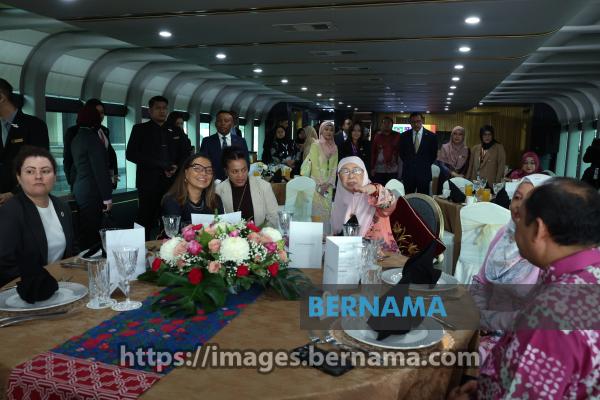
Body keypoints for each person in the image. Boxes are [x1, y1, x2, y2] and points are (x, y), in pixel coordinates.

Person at [449, 177, 600, 399]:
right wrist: (486, 387)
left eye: (521, 218)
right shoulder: (586, 274)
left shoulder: (550, 317)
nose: (514, 220)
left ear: (538, 229)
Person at [470, 174, 550, 366]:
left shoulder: (548, 253)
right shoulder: (503, 235)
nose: (519, 206)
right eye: (517, 197)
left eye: (529, 201)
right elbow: (481, 283)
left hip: (518, 341)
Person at [0, 146, 74, 290]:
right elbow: (5, 264)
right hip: (26, 289)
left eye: (45, 171)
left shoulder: (62, 207)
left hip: (62, 283)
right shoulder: (10, 211)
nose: (38, 176)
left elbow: (72, 249)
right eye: (30, 171)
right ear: (18, 177)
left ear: (55, 176)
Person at [126, 95, 191, 239]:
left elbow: (186, 153)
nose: (162, 111)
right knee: (145, 219)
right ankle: (140, 246)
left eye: (164, 108)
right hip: (148, 183)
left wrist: (176, 166)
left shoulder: (176, 130)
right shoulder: (140, 129)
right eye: (158, 108)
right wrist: (160, 165)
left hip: (172, 183)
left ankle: (170, 248)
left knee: (170, 218)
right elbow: (131, 154)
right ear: (150, 111)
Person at [331, 156, 399, 252]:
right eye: (345, 171)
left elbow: (391, 204)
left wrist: (375, 190)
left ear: (364, 173)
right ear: (339, 176)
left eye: (356, 170)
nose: (351, 176)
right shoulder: (338, 200)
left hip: (379, 256)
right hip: (346, 255)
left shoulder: (374, 195)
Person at [70, 105, 114, 250]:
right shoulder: (92, 139)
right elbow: (99, 170)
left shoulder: (77, 138)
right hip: (92, 191)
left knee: (85, 228)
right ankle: (92, 259)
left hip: (80, 189)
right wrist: (107, 197)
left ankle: (86, 255)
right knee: (94, 231)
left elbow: (74, 167)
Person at [0, 78, 49, 205]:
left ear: (1, 97)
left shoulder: (34, 125)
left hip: (26, 200)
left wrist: (14, 193)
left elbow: (40, 165)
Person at [216, 147, 279, 227]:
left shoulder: (263, 186)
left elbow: (274, 217)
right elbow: (217, 222)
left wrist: (260, 232)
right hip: (231, 234)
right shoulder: (219, 190)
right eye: (235, 171)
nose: (240, 175)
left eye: (244, 170)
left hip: (260, 233)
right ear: (226, 171)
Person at [64, 98, 118, 190]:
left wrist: (112, 178)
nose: (100, 115)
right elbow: (68, 159)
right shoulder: (74, 132)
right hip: (84, 183)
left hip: (104, 181)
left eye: (102, 112)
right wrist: (71, 181)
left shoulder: (104, 130)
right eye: (97, 112)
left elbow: (109, 155)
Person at [162, 153, 223, 226]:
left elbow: (221, 228)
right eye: (197, 168)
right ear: (186, 173)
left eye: (209, 170)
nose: (204, 173)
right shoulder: (172, 201)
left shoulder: (215, 199)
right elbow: (173, 231)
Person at [301, 121, 338, 224]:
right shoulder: (315, 145)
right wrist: (321, 184)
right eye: (326, 129)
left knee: (326, 211)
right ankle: (314, 232)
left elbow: (334, 167)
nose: (329, 132)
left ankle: (325, 232)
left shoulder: (335, 147)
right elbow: (315, 166)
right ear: (321, 131)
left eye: (331, 130)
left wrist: (328, 183)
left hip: (328, 186)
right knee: (316, 211)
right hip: (316, 184)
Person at [199, 110, 249, 181]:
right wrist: (214, 181)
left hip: (236, 181)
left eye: (226, 121)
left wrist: (239, 178)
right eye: (219, 121)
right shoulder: (207, 141)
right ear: (215, 123)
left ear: (232, 124)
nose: (222, 123)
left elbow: (246, 163)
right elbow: (203, 163)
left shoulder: (241, 141)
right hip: (213, 182)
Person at [399, 112, 438, 194]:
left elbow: (433, 155)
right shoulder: (403, 136)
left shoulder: (432, 136)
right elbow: (402, 153)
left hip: (424, 174)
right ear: (410, 122)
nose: (416, 124)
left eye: (418, 121)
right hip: (408, 174)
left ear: (422, 121)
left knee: (423, 198)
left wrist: (423, 164)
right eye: (413, 122)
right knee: (408, 198)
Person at [436, 126, 470, 194]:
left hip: (461, 181)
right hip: (445, 178)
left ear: (463, 136)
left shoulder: (467, 150)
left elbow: (467, 166)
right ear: (451, 135)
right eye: (455, 134)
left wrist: (462, 176)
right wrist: (454, 174)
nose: (457, 136)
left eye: (460, 134)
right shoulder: (445, 147)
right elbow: (441, 164)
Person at [370, 116, 400, 185]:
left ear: (392, 125)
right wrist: (372, 167)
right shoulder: (377, 136)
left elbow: (401, 153)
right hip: (379, 169)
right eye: (384, 123)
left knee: (391, 189)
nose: (386, 124)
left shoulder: (397, 136)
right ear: (382, 125)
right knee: (379, 189)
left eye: (388, 123)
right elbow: (373, 152)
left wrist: (400, 170)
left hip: (393, 170)